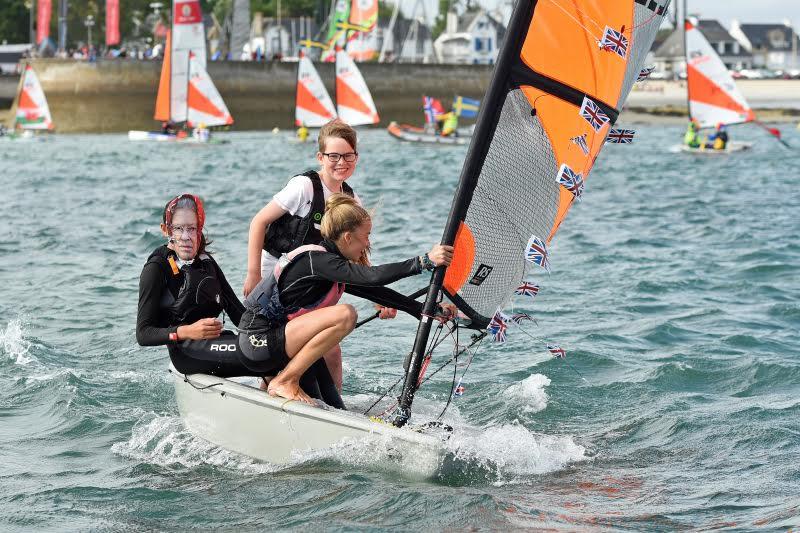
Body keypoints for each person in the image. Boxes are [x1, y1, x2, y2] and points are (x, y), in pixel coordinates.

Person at [239, 194, 455, 404]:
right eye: (367, 235)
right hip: (259, 341)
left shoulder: (331, 265)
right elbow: (373, 276)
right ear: (348, 237)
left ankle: (280, 385)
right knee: (346, 314)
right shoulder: (317, 261)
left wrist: (425, 310)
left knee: (333, 405)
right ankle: (285, 380)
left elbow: (376, 291)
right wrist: (424, 261)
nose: (368, 243)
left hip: (283, 343)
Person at [136, 193, 343, 407]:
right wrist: (185, 332)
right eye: (178, 229)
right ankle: (315, 413)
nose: (186, 236)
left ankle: (338, 412)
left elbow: (238, 314)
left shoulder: (206, 263)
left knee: (301, 346)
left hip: (216, 341)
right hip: (189, 351)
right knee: (281, 353)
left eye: (192, 228)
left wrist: (275, 328)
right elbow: (143, 333)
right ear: (166, 230)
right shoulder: (156, 269)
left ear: (200, 229)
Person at [243, 119, 389, 390]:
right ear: (321, 157)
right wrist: (253, 274)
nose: (341, 162)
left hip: (309, 286)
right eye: (334, 156)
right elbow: (258, 223)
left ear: (356, 157)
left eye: (348, 156)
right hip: (277, 282)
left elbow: (357, 252)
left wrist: (378, 299)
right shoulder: (304, 187)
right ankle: (270, 392)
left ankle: (333, 410)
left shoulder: (351, 200)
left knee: (331, 350)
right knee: (303, 349)